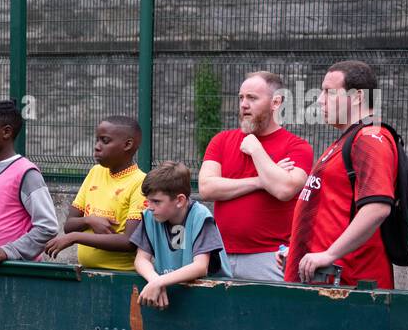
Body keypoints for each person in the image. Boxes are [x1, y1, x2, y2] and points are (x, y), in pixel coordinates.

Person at [283, 60, 398, 289]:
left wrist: (328, 255)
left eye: (328, 92)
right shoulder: (347, 141)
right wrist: (300, 250)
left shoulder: (369, 139)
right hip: (327, 280)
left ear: (357, 97)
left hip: (347, 285)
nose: (319, 100)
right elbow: (332, 209)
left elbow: (377, 208)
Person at [198, 72, 312, 281]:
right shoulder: (221, 140)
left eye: (252, 98)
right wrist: (261, 182)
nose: (243, 104)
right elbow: (206, 188)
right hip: (219, 253)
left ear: (276, 102)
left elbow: (284, 190)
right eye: (241, 98)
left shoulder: (297, 147)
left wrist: (257, 149)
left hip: (270, 257)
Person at [43, 116, 146, 270]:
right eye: (97, 140)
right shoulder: (95, 172)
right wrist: (89, 220)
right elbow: (69, 225)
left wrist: (75, 237)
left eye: (105, 141)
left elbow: (129, 242)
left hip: (121, 277)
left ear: (127, 144)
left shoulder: (140, 182)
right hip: (86, 273)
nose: (97, 146)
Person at [0, 99, 58, 265]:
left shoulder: (25, 173)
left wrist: (9, 251)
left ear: (6, 132)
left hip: (10, 271)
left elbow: (47, 227)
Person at [129, 161, 231, 308]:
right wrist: (154, 280)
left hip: (213, 300)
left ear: (179, 200)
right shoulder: (150, 217)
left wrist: (160, 282)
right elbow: (141, 260)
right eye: (148, 201)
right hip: (174, 294)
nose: (150, 207)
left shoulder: (200, 216)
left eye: (156, 201)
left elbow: (200, 266)